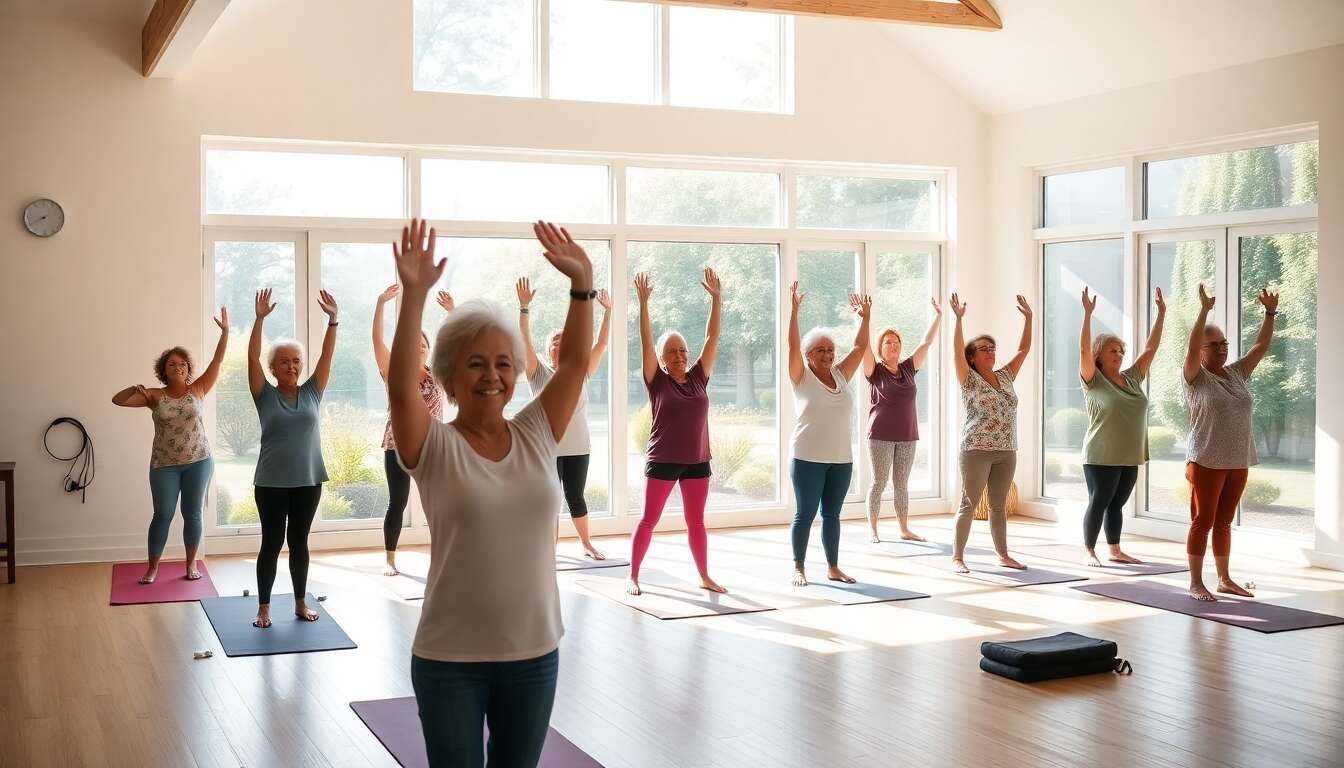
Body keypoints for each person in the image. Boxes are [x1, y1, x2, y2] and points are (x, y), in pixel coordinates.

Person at [389, 218, 592, 767]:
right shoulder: (432, 446)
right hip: (450, 659)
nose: (492, 375)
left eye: (503, 363)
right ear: (451, 377)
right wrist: (414, 297)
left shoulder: (536, 432)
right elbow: (402, 388)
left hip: (534, 654)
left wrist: (583, 284)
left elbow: (574, 364)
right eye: (475, 363)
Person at [627, 267, 726, 596]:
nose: (680, 355)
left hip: (698, 459)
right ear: (661, 358)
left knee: (696, 521)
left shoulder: (699, 376)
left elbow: (712, 338)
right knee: (649, 520)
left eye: (683, 349)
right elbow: (645, 338)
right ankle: (634, 576)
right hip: (663, 458)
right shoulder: (657, 380)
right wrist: (643, 305)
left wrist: (716, 299)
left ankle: (704, 575)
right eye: (672, 351)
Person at [111, 308, 229, 584]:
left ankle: (191, 565)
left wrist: (224, 333)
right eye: (172, 364)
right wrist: (133, 389)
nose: (178, 368)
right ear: (163, 370)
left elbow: (218, 360)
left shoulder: (198, 389)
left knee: (193, 514)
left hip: (198, 461)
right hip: (164, 465)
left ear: (188, 369)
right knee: (162, 514)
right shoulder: (153, 395)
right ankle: (152, 568)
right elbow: (118, 400)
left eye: (183, 364)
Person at [248, 287, 338, 628]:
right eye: (284, 361)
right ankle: (264, 608)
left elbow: (326, 358)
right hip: (270, 482)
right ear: (273, 368)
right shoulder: (264, 395)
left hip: (308, 480)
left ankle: (301, 602)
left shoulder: (313, 391)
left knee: (299, 542)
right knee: (271, 543)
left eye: (296, 360)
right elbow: (252, 358)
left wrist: (333, 321)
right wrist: (258, 320)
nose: (291, 365)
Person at [1182, 284, 1277, 601]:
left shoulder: (1236, 373)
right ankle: (1196, 583)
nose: (1222, 348)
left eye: (1224, 344)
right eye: (1215, 345)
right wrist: (1204, 311)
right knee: (1203, 521)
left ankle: (1224, 578)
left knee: (1223, 523)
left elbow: (1261, 346)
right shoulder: (1195, 378)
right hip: (1206, 459)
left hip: (1238, 459)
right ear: (1201, 351)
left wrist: (1269, 313)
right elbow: (1192, 345)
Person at [516, 277, 612, 560]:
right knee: (550, 502)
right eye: (555, 342)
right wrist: (523, 308)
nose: (561, 344)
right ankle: (549, 551)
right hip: (547, 448)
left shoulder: (580, 370)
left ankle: (586, 543)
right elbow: (524, 342)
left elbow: (602, 343)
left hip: (579, 447)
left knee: (575, 497)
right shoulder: (538, 373)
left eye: (565, 340)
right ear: (548, 351)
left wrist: (607, 310)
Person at [786, 282, 870, 586]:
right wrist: (794, 312)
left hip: (840, 460)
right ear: (809, 355)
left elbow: (860, 348)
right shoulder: (801, 375)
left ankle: (833, 567)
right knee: (805, 514)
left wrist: (865, 318)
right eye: (820, 350)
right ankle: (799, 567)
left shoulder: (840, 374)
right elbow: (792, 347)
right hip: (807, 458)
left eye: (830, 350)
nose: (827, 354)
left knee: (832, 515)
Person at [1078, 286, 1166, 566]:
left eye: (1121, 350)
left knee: (1117, 505)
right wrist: (1088, 314)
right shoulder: (1093, 380)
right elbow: (1082, 348)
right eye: (1112, 350)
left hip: (1130, 454)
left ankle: (1115, 550)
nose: (1118, 354)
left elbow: (1151, 349)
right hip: (1101, 455)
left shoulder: (1131, 379)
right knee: (1099, 502)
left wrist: (1161, 314)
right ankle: (1089, 551)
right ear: (1098, 355)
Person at [372, 284, 453, 576]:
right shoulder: (395, 371)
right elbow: (378, 340)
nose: (419, 345)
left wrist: (452, 313)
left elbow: (456, 346)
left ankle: (444, 558)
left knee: (438, 502)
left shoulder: (439, 374)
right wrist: (381, 304)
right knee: (398, 502)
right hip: (397, 445)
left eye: (423, 343)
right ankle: (390, 559)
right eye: (413, 342)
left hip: (432, 445)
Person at [950, 292, 1032, 574]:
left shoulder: (1006, 376)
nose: (991, 352)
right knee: (969, 503)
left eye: (992, 348)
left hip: (1007, 451)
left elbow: (1023, 351)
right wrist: (959, 320)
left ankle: (1003, 555)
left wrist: (1029, 319)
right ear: (972, 357)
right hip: (976, 450)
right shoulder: (968, 378)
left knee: (998, 506)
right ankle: (958, 557)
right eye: (984, 349)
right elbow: (956, 351)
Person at [862, 299, 942, 543]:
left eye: (896, 342)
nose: (893, 345)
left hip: (908, 435)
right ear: (880, 348)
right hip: (880, 435)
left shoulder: (908, 368)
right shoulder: (874, 370)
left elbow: (926, 343)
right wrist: (864, 318)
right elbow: (863, 346)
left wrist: (938, 315)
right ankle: (873, 529)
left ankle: (904, 529)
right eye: (888, 342)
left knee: (901, 485)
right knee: (879, 482)